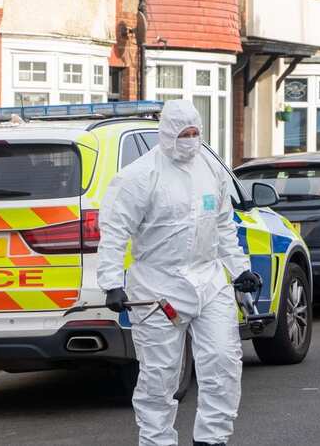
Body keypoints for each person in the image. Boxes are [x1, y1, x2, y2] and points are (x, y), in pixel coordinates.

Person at [97, 100, 261, 446]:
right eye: (183, 134)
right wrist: (111, 282)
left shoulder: (211, 170)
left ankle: (212, 439)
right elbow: (114, 231)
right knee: (160, 375)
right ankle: (157, 441)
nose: (189, 140)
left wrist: (239, 267)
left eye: (195, 133)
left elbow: (222, 225)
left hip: (209, 280)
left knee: (222, 361)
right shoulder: (139, 177)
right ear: (167, 134)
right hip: (158, 288)